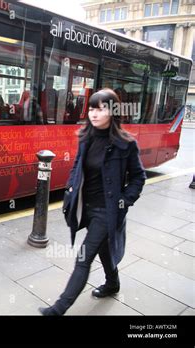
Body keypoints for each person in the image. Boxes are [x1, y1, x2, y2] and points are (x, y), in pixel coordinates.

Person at [39, 88, 146, 316]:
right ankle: (113, 283)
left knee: (84, 257)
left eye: (101, 108)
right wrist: (70, 189)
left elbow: (139, 177)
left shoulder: (126, 144)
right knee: (105, 248)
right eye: (91, 108)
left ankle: (58, 309)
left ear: (113, 111)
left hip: (107, 210)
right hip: (84, 207)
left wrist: (124, 201)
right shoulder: (86, 137)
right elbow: (78, 165)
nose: (94, 114)